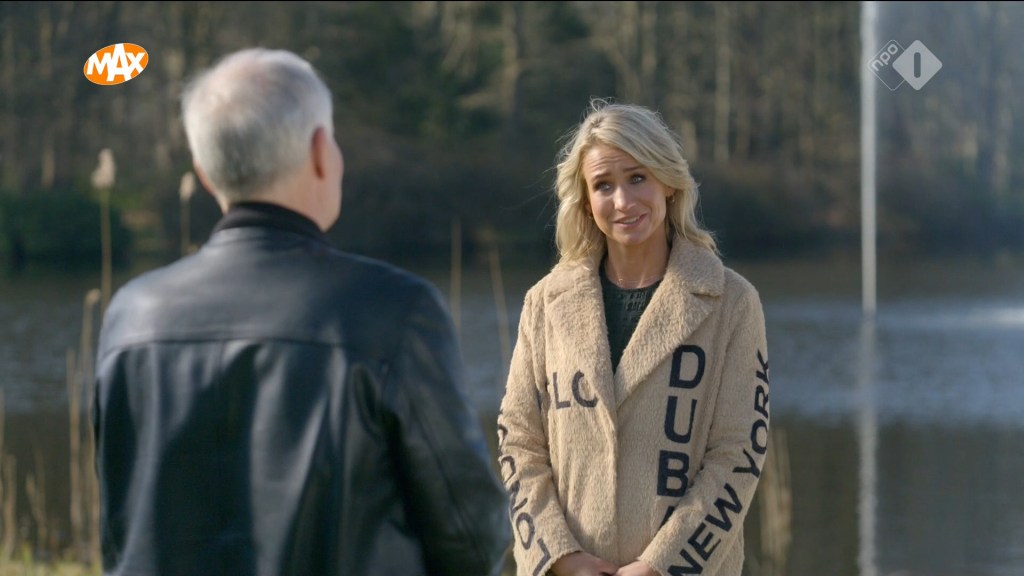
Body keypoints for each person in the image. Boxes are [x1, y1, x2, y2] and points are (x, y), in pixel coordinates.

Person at [93, 47, 509, 576]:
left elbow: (122, 533)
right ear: (320, 151)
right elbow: (471, 539)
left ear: (204, 173)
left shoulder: (131, 317)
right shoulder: (393, 311)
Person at [496, 99, 770, 576]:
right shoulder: (544, 304)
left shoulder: (732, 303)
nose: (623, 201)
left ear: (668, 182)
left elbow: (738, 454)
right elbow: (518, 443)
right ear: (585, 200)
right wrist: (560, 557)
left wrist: (659, 566)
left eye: (637, 177)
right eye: (604, 185)